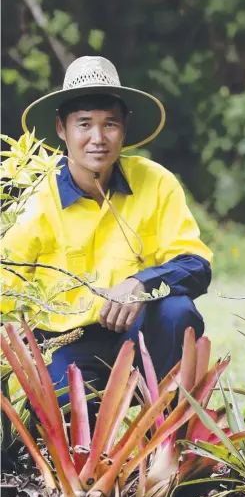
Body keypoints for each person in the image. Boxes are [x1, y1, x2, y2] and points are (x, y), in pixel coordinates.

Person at [2, 56, 212, 414]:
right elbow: (6, 289)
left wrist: (142, 281)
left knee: (178, 310)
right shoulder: (37, 199)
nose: (98, 138)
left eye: (109, 124)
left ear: (125, 128)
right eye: (84, 124)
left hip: (140, 335)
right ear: (61, 128)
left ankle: (162, 435)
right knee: (69, 411)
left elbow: (196, 266)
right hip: (66, 346)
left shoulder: (155, 181)